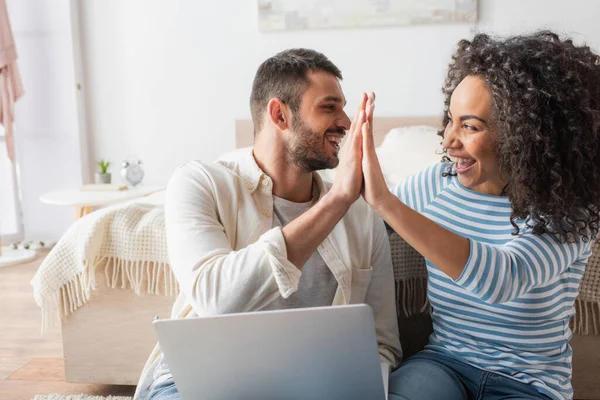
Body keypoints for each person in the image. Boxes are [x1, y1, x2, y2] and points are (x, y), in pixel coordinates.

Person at [134, 48, 402, 400]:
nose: (346, 122)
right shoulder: (200, 183)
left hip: (315, 388)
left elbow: (383, 344)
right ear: (279, 114)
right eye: (329, 106)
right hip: (200, 384)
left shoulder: (362, 216)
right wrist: (336, 200)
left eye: (344, 107)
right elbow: (217, 299)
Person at [359, 31, 600, 400]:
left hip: (529, 383)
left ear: (526, 135)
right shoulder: (434, 184)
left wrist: (387, 203)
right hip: (444, 363)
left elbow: (502, 279)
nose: (449, 141)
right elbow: (356, 225)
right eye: (451, 120)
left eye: (470, 126)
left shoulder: (569, 209)